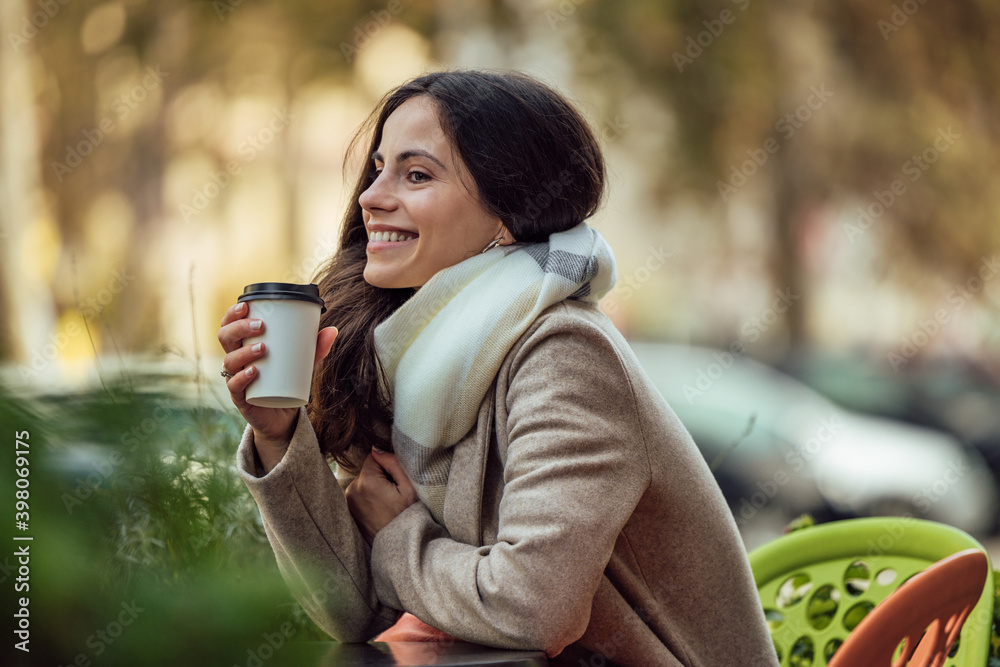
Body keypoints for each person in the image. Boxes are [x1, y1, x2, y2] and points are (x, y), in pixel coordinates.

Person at [218, 69, 778, 666]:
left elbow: (535, 608)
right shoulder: (410, 354)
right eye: (379, 168)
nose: (372, 195)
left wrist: (400, 535)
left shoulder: (561, 353)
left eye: (416, 174)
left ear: (509, 214)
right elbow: (350, 609)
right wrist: (280, 435)